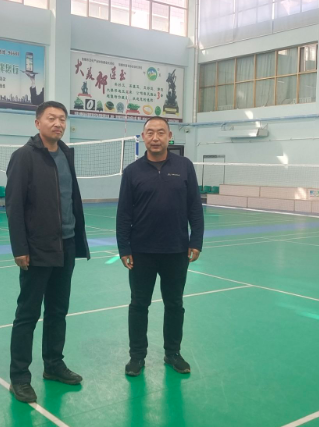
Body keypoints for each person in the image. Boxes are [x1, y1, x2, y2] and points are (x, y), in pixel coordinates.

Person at [5, 100, 90, 403]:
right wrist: (20, 247)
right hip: (37, 249)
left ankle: (53, 365)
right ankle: (19, 377)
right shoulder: (24, 157)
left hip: (66, 245)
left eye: (62, 119)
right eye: (51, 118)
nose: (58, 123)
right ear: (37, 122)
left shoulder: (66, 153)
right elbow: (14, 206)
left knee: (58, 311)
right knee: (27, 314)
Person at [116, 116, 204, 377]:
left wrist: (196, 240)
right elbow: (124, 214)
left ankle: (172, 353)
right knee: (138, 305)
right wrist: (124, 248)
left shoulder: (185, 166)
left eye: (161, 132)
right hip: (141, 252)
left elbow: (195, 207)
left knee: (174, 304)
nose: (155, 138)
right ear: (143, 137)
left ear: (169, 137)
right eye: (150, 133)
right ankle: (137, 356)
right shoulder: (132, 172)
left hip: (176, 250)